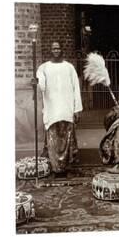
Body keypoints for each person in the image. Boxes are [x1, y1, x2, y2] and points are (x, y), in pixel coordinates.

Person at [35, 41, 83, 175]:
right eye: (53, 48)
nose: (56, 50)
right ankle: (55, 167)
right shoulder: (43, 68)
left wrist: (77, 108)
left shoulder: (69, 68)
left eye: (58, 48)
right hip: (52, 109)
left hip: (67, 109)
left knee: (68, 139)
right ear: (50, 50)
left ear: (61, 50)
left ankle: (67, 167)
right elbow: (42, 86)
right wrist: (36, 83)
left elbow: (76, 89)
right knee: (53, 140)